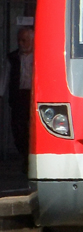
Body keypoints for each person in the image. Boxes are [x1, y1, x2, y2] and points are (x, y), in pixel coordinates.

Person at [6, 27, 33, 164]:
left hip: (33, 96)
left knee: (33, 128)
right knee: (18, 128)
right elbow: (5, 77)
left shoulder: (39, 55)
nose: (21, 44)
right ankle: (24, 155)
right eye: (19, 40)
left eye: (25, 40)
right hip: (18, 96)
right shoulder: (13, 57)